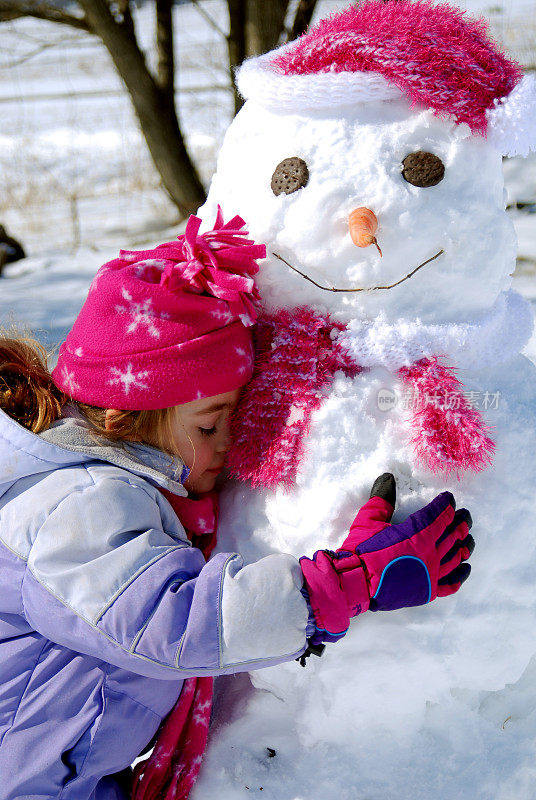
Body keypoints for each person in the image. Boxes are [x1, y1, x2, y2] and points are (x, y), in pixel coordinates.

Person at [0, 212, 474, 800]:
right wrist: (352, 580)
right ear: (131, 417)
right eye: (209, 422)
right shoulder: (75, 503)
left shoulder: (112, 486)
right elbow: (175, 623)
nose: (228, 441)